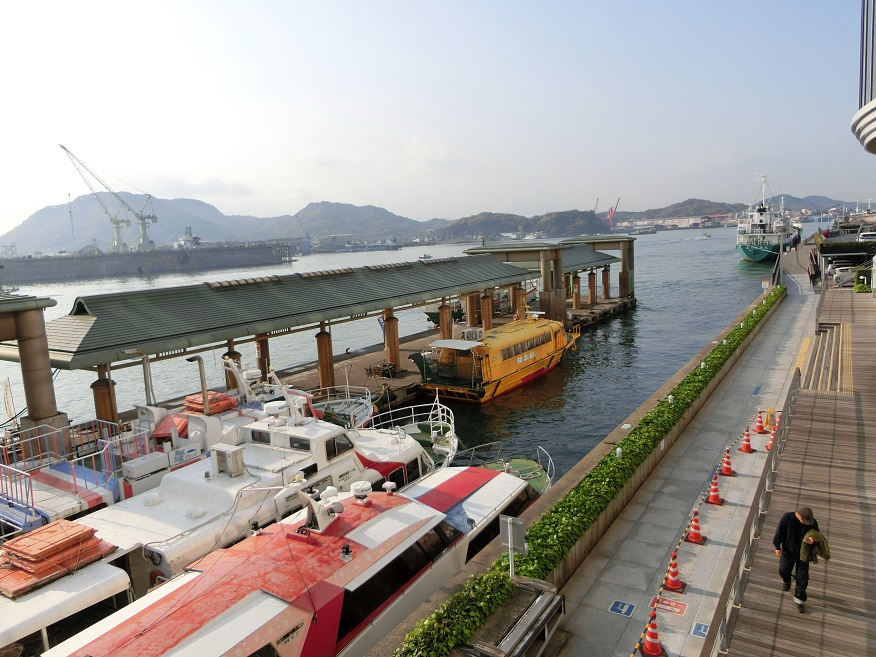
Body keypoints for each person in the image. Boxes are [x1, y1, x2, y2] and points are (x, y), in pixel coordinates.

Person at [773, 507, 818, 612]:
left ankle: (799, 599)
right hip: (788, 551)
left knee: (802, 578)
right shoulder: (787, 518)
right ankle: (787, 580)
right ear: (798, 515)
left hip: (803, 554)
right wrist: (777, 547)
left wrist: (812, 540)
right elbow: (779, 532)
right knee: (783, 571)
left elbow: (816, 535)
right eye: (805, 521)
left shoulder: (812, 522)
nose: (807, 523)